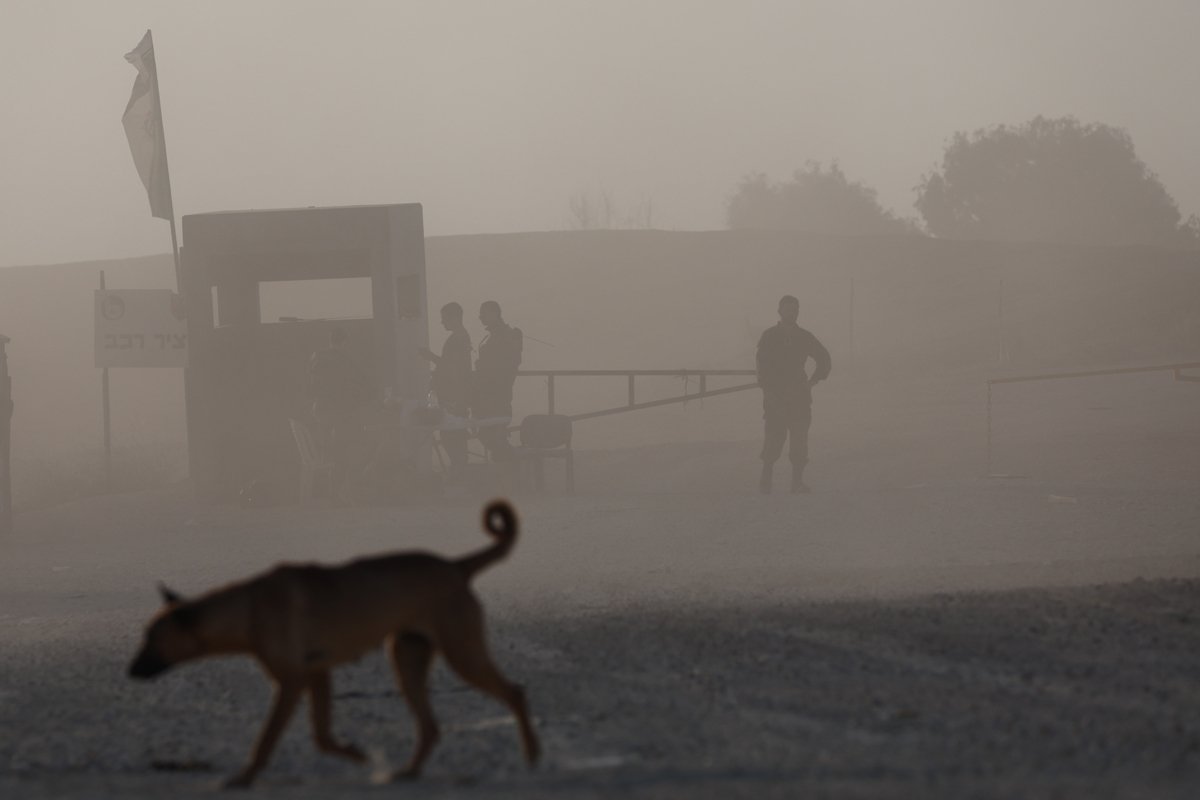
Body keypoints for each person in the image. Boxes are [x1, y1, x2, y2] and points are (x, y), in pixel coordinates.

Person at [756, 295, 831, 494]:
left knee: (799, 442)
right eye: (788, 309)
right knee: (773, 441)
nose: (792, 312)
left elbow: (824, 359)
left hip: (799, 398)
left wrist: (812, 381)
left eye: (795, 309)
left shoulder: (805, 337)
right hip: (775, 398)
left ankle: (796, 483)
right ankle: (766, 481)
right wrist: (769, 392)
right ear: (779, 311)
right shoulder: (769, 336)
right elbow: (761, 369)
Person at [308, 328, 371, 499]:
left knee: (337, 448)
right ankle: (339, 492)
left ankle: (337, 490)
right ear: (345, 342)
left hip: (320, 411)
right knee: (347, 448)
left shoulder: (318, 357)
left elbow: (314, 386)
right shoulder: (343, 359)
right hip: (338, 412)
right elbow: (359, 382)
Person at [420, 302, 473, 482]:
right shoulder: (462, 338)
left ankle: (459, 477)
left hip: (453, 398)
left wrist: (431, 357)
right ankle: (459, 476)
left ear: (454, 317)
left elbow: (452, 368)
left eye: (444, 318)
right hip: (456, 396)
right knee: (454, 436)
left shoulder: (458, 339)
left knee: (452, 437)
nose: (442, 322)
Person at [472, 300, 523, 461]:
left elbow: (510, 364)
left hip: (498, 396)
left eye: (483, 313)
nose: (480, 317)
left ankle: (512, 467)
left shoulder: (508, 335)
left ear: (494, 313)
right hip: (486, 395)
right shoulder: (491, 336)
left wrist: (484, 365)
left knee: (494, 435)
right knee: (487, 434)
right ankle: (508, 470)